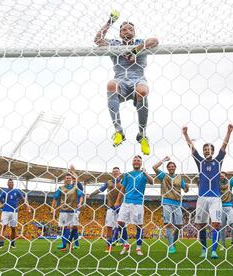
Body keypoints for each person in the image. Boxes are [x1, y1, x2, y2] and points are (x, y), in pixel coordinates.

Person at [94, 11, 159, 155]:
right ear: (119, 34)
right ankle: (118, 131)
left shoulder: (139, 43)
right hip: (120, 80)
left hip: (138, 79)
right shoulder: (114, 44)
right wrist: (110, 22)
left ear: (134, 32)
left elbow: (154, 40)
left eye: (130, 29)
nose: (127, 31)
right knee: (111, 84)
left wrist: (135, 51)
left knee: (142, 91)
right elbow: (98, 40)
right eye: (123, 29)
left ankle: (142, 135)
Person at [182, 123, 233, 259]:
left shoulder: (218, 161)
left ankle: (214, 250)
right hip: (202, 198)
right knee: (201, 225)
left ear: (213, 151)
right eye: (205, 149)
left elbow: (224, 146)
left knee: (216, 224)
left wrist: (228, 132)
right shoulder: (200, 162)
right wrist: (186, 134)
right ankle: (204, 249)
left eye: (209, 149)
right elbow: (191, 148)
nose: (207, 151)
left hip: (215, 198)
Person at [114, 156, 154, 255]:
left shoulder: (143, 174)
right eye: (135, 160)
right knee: (120, 223)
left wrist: (145, 172)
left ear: (141, 163)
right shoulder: (127, 175)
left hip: (138, 202)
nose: (136, 162)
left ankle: (138, 248)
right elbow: (122, 188)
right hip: (126, 202)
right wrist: (118, 201)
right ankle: (126, 244)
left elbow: (152, 182)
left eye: (138, 161)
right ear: (132, 163)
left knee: (139, 226)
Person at [152, 156, 189, 254]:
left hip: (177, 203)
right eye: (170, 166)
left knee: (179, 226)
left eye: (173, 166)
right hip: (167, 201)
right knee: (168, 224)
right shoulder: (163, 176)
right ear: (167, 168)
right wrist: (163, 160)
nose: (171, 167)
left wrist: (187, 187)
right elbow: (154, 167)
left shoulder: (179, 177)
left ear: (175, 167)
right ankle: (171, 246)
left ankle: (173, 243)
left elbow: (185, 189)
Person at [87, 167, 123, 253]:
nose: (115, 173)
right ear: (111, 173)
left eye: (117, 171)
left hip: (121, 207)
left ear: (119, 172)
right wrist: (90, 195)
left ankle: (124, 245)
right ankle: (109, 247)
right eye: (113, 171)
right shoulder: (108, 182)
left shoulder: (123, 181)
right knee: (109, 227)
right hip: (110, 207)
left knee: (122, 226)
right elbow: (100, 190)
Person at [51, 173, 84, 251]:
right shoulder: (60, 188)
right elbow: (55, 198)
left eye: (70, 178)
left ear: (72, 180)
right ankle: (64, 245)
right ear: (64, 180)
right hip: (64, 210)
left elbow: (81, 196)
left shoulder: (75, 188)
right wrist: (52, 207)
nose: (68, 179)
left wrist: (80, 203)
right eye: (67, 178)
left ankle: (69, 240)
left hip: (74, 210)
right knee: (65, 227)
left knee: (75, 227)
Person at [0, 179, 30, 249]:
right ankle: (1, 243)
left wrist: (27, 206)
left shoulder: (17, 191)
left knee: (13, 228)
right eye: (9, 182)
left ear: (13, 184)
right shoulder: (4, 192)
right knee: (3, 227)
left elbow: (23, 199)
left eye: (12, 182)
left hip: (14, 211)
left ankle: (12, 243)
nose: (11, 183)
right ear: (7, 184)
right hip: (5, 211)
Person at [219, 171, 233, 250]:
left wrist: (229, 174)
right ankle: (223, 245)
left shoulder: (229, 183)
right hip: (220, 207)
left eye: (223, 176)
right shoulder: (216, 185)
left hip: (229, 207)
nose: (222, 177)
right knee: (222, 227)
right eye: (220, 176)